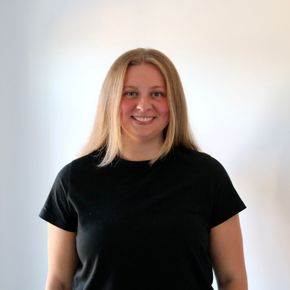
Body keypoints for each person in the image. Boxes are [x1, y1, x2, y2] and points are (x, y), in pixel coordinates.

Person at [39, 48, 248, 290]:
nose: (143, 105)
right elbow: (59, 282)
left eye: (157, 94)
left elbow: (233, 279)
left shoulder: (208, 176)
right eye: (131, 93)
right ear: (111, 101)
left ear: (173, 103)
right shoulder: (73, 180)